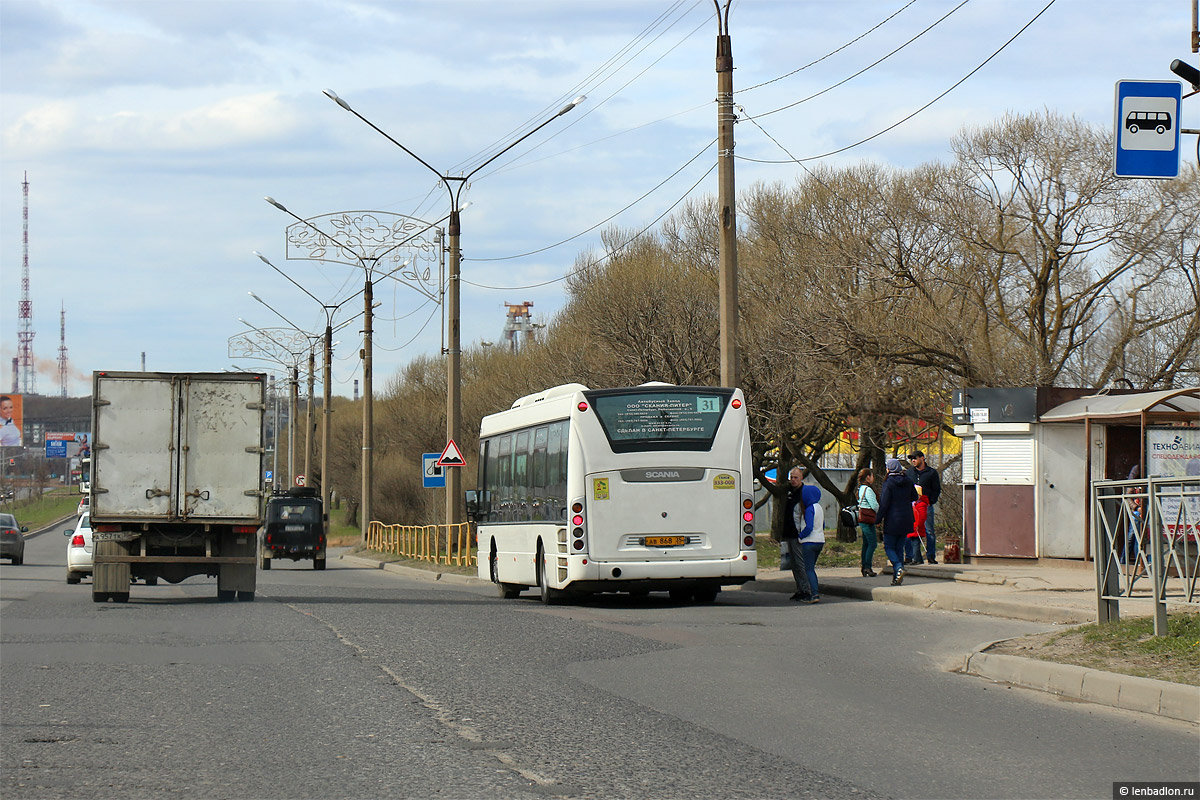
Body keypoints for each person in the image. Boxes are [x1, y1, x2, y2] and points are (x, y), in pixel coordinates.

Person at [877, 458, 918, 585]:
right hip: (906, 519)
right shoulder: (908, 481)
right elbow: (915, 497)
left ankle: (898, 567)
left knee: (889, 546)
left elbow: (884, 504)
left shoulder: (888, 483)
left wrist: (878, 519)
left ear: (889, 469)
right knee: (899, 548)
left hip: (892, 519)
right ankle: (897, 578)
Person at [779, 466, 813, 602]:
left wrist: (802, 533)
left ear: (801, 478)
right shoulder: (789, 492)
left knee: (800, 563)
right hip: (789, 532)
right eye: (791, 478)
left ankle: (807, 590)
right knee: (793, 564)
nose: (793, 480)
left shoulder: (803, 493)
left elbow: (803, 515)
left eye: (795, 478)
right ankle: (800, 589)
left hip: (798, 534)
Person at [906, 449, 942, 564]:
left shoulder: (931, 473)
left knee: (929, 530)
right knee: (912, 530)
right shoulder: (909, 472)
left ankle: (930, 555)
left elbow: (936, 489)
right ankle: (910, 556)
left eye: (915, 458)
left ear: (922, 458)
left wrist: (931, 501)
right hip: (913, 505)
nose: (913, 461)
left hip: (926, 505)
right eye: (912, 459)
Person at [793, 483, 825, 602]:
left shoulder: (809, 509)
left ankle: (814, 594)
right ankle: (815, 592)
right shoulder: (819, 507)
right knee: (812, 568)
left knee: (809, 569)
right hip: (820, 541)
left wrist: (800, 536)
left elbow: (809, 526)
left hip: (809, 542)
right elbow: (823, 525)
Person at [856, 468, 879, 577]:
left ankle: (864, 566)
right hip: (868, 519)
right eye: (872, 475)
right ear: (868, 477)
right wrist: (880, 512)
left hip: (863, 519)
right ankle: (867, 567)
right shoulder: (868, 489)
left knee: (866, 543)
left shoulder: (860, 488)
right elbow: (874, 505)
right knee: (872, 543)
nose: (873, 478)